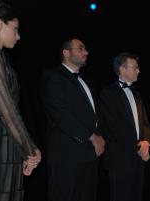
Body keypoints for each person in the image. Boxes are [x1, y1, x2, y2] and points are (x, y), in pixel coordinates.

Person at [0, 1, 41, 201]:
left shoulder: (0, 57)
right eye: (15, 29)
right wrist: (30, 149)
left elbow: (11, 108)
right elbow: (7, 108)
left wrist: (27, 148)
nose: (18, 36)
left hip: (5, 136)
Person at [41, 37, 105, 201]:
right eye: (81, 48)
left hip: (90, 154)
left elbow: (96, 115)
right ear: (66, 53)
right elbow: (60, 115)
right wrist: (92, 136)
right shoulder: (53, 76)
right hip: (67, 156)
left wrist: (100, 137)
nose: (86, 52)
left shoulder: (86, 81)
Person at [100, 52, 150, 201]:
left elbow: (145, 123)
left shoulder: (137, 94)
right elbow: (114, 126)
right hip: (120, 158)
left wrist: (146, 142)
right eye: (134, 68)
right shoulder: (108, 93)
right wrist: (138, 147)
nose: (138, 71)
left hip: (138, 157)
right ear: (122, 70)